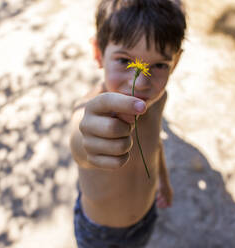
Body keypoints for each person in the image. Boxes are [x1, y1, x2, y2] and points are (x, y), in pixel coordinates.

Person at [70, 0, 186, 247]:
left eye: (159, 65)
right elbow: (80, 138)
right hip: (98, 233)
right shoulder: (91, 109)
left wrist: (163, 181)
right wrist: (88, 141)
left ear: (174, 63)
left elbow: (155, 145)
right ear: (98, 53)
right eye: (125, 61)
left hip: (145, 220)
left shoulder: (158, 100)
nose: (142, 82)